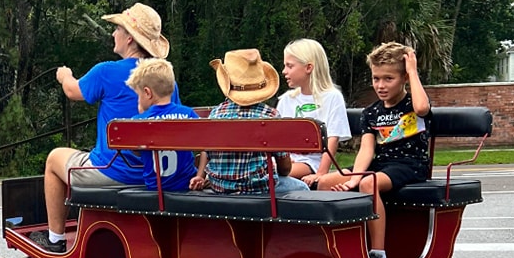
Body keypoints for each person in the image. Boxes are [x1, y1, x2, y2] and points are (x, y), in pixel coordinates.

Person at [31, 2, 175, 253]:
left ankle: (54, 239)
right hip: (157, 174)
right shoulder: (165, 78)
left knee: (54, 159)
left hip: (116, 172)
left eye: (117, 28)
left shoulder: (107, 72)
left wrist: (65, 75)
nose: (113, 34)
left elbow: (72, 91)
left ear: (129, 38)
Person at [316, 42, 432, 258]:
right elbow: (367, 150)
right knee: (325, 182)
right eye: (376, 78)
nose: (380, 85)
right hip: (379, 165)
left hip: (410, 165)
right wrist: (353, 179)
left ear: (404, 79)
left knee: (370, 182)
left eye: (389, 79)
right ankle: (339, 245)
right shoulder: (371, 113)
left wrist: (412, 70)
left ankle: (378, 253)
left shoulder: (413, 104)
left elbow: (421, 108)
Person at [189, 48, 309, 195]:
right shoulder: (270, 116)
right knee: (302, 188)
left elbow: (206, 152)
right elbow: (285, 169)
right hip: (258, 189)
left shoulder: (216, 114)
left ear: (227, 83)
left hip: (219, 188)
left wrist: (201, 176)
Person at [277, 38, 352, 186]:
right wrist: (283, 159)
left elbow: (332, 139)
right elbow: (278, 137)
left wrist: (321, 173)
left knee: (270, 173)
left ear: (308, 68)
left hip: (310, 162)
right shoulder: (286, 99)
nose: (284, 71)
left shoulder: (332, 97)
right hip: (286, 161)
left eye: (289, 66)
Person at [124, 58, 199, 191]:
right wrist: (200, 175)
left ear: (147, 93)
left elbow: (136, 152)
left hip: (156, 189)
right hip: (186, 185)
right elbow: (205, 147)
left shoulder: (138, 121)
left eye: (138, 95)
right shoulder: (188, 114)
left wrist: (142, 113)